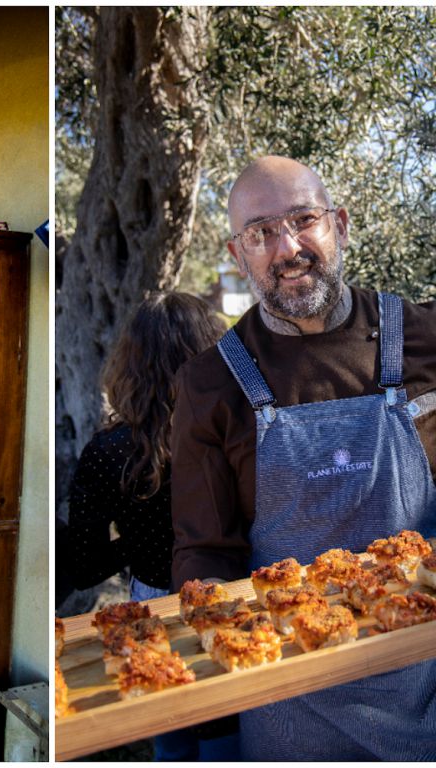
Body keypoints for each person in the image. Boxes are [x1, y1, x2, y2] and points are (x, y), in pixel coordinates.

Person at [170, 155, 436, 760]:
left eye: (303, 219)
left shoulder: (426, 338)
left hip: (425, 689)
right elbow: (206, 548)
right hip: (292, 713)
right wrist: (218, 624)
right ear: (238, 256)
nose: (287, 248)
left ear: (340, 224)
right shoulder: (210, 383)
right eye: (261, 232)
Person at [67, 291, 238, 760]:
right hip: (229, 592)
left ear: (129, 361)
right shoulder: (235, 433)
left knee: (171, 733)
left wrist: (133, 544)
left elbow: (82, 566)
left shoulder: (108, 452)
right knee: (234, 733)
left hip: (153, 604)